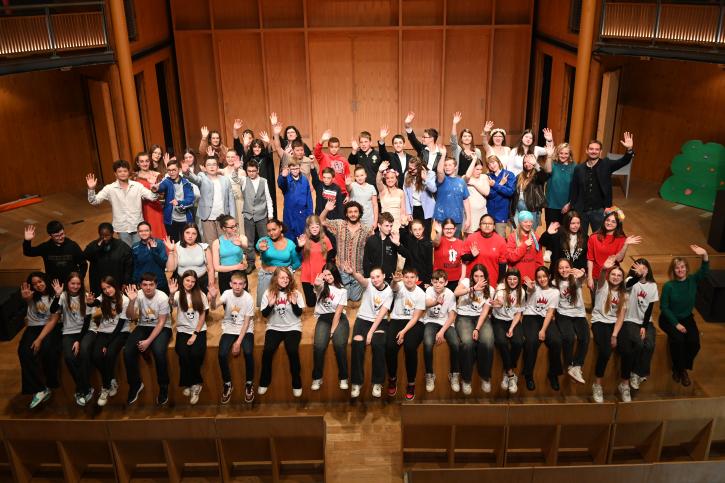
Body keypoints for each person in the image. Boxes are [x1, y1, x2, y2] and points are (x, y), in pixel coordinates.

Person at [659, 244, 709, 387]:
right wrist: (676, 324)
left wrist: (704, 254)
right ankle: (682, 371)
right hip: (669, 318)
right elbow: (664, 307)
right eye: (677, 268)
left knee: (694, 343)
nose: (680, 270)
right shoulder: (669, 286)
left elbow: (704, 270)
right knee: (678, 340)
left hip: (686, 317)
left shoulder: (692, 280)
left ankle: (680, 368)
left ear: (686, 268)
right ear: (673, 270)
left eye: (682, 267)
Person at [569, 132, 635, 234]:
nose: (593, 151)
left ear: (600, 151)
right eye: (591, 149)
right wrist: (573, 207)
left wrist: (629, 150)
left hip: (600, 210)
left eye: (596, 149)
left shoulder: (606, 164)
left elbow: (624, 161)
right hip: (581, 211)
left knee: (600, 237)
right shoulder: (579, 168)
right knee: (581, 238)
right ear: (587, 150)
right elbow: (574, 189)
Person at [344, 265, 393, 399]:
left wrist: (371, 332)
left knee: (379, 344)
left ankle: (377, 383)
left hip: (379, 321)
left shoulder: (389, 292)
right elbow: (361, 280)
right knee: (357, 343)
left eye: (378, 276)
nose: (375, 279)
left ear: (383, 276)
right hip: (363, 319)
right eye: (372, 277)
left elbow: (382, 314)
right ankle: (356, 383)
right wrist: (353, 272)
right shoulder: (369, 284)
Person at [123, 273, 172, 406]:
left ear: (156, 285)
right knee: (127, 351)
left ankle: (163, 387)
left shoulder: (162, 297)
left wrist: (148, 341)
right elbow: (131, 316)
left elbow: (161, 322)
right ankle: (136, 384)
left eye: (151, 284)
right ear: (140, 285)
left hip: (163, 327)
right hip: (143, 326)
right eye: (145, 285)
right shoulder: (137, 295)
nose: (148, 287)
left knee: (159, 352)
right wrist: (132, 302)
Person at [209, 271, 256, 404]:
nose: (237, 286)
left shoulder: (248, 298)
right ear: (230, 284)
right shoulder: (226, 293)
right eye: (234, 283)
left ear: (245, 285)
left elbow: (247, 323)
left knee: (248, 352)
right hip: (230, 327)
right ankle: (228, 384)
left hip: (245, 329)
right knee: (222, 354)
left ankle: (249, 383)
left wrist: (238, 342)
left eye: (240, 284)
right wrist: (213, 298)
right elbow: (213, 307)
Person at [258, 267, 306, 397]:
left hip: (292, 327)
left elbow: (299, 313)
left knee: (292, 351)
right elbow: (264, 314)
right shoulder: (268, 293)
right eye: (282, 277)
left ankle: (296, 381)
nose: (285, 280)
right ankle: (264, 380)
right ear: (275, 279)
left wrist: (295, 303)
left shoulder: (296, 292)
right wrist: (270, 305)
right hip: (274, 327)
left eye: (287, 277)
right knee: (268, 351)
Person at [86, 160, 158, 246]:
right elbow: (94, 201)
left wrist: (153, 187)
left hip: (137, 225)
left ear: (129, 172)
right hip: (122, 227)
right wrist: (91, 189)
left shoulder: (137, 186)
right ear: (115, 174)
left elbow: (153, 197)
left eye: (125, 171)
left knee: (139, 252)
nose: (123, 173)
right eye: (119, 171)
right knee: (126, 253)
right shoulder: (110, 188)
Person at [50, 273, 95, 406]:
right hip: (69, 332)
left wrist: (79, 341)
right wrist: (57, 295)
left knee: (84, 351)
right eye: (72, 283)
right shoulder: (63, 296)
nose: (75, 286)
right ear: (67, 284)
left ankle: (81, 390)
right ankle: (85, 388)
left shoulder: (87, 297)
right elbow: (53, 310)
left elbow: (87, 323)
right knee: (69, 357)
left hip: (87, 331)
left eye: (78, 284)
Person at [18, 272, 61, 409]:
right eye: (35, 283)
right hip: (33, 328)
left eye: (40, 281)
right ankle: (39, 389)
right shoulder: (31, 295)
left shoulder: (55, 295)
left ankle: (50, 384)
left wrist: (39, 339)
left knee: (48, 350)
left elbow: (53, 320)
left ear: (45, 280)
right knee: (24, 352)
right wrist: (25, 298)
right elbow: (27, 298)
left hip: (49, 327)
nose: (38, 285)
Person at [590, 256, 628, 403]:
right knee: (605, 351)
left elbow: (621, 316)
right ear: (609, 276)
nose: (616, 277)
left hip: (614, 324)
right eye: (613, 274)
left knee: (628, 350)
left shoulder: (624, 294)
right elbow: (600, 278)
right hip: (600, 321)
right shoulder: (603, 286)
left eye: (619, 275)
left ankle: (624, 384)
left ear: (622, 278)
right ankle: (597, 384)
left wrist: (615, 335)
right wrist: (604, 268)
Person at [321, 200, 374, 302]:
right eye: (350, 212)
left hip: (358, 271)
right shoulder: (339, 224)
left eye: (355, 211)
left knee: (355, 298)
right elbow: (322, 221)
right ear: (346, 213)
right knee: (344, 297)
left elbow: (373, 246)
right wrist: (326, 210)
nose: (353, 214)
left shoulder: (367, 230)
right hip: (342, 271)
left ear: (359, 213)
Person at [386, 268, 427, 399]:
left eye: (412, 277)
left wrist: (403, 332)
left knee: (410, 347)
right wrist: (393, 281)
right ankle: (392, 378)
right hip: (397, 320)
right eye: (407, 277)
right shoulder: (400, 286)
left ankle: (411, 383)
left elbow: (415, 318)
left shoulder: (421, 294)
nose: (409, 280)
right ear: (403, 278)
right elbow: (394, 287)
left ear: (417, 279)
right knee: (390, 347)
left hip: (415, 323)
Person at [89, 276, 130, 407]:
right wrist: (90, 302)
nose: (107, 291)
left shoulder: (125, 300)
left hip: (120, 332)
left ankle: (105, 386)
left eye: (109, 287)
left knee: (111, 353)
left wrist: (107, 344)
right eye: (104, 288)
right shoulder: (103, 298)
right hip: (103, 331)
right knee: (96, 356)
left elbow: (120, 325)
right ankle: (111, 379)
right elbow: (94, 303)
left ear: (115, 285)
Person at [169, 271, 208, 405]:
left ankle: (191, 384)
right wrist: (172, 293)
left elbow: (203, 316)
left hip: (198, 329)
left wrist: (195, 334)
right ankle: (194, 383)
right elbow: (171, 305)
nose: (190, 283)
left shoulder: (201, 295)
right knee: (182, 353)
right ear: (183, 280)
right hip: (182, 329)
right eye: (187, 280)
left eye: (192, 281)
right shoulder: (179, 294)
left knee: (197, 354)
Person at [455, 264, 495, 395]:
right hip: (464, 316)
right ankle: (466, 379)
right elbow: (456, 292)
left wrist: (477, 329)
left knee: (488, 341)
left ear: (486, 276)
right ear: (472, 276)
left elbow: (485, 311)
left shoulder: (490, 289)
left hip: (480, 318)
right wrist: (472, 288)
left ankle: (485, 377)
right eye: (476, 276)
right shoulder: (466, 282)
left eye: (481, 276)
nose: (478, 278)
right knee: (467, 343)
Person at [419, 269, 461, 393]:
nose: (438, 285)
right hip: (430, 321)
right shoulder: (429, 290)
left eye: (441, 282)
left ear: (446, 283)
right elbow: (425, 304)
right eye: (435, 282)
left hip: (446, 322)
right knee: (427, 344)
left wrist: (442, 332)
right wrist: (435, 302)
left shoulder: (450, 294)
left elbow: (452, 316)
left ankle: (454, 374)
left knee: (455, 344)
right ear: (432, 282)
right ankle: (429, 375)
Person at [521, 266, 562, 391]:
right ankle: (528, 375)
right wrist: (530, 287)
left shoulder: (555, 292)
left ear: (549, 277)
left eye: (544, 276)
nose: (542, 279)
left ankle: (553, 374)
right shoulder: (533, 288)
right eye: (539, 277)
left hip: (545, 318)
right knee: (531, 342)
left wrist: (543, 330)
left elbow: (550, 312)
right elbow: (529, 290)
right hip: (530, 317)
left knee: (556, 341)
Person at [619, 258, 658, 391]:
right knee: (639, 343)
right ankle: (635, 373)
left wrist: (644, 326)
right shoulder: (630, 281)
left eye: (644, 269)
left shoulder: (653, 285)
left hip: (646, 321)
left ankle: (637, 373)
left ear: (649, 270)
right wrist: (637, 275)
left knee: (650, 344)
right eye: (639, 269)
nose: (642, 271)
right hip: (630, 320)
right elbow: (629, 284)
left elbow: (650, 308)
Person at [311, 263, 350, 391]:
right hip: (323, 317)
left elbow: (338, 313)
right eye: (325, 275)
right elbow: (317, 286)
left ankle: (343, 377)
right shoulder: (322, 286)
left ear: (335, 273)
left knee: (339, 345)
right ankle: (317, 377)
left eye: (329, 274)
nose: (328, 277)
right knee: (319, 346)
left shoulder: (343, 290)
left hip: (338, 318)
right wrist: (317, 283)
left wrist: (332, 332)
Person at [183, 155, 237, 245]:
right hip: (207, 218)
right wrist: (187, 172)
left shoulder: (225, 180)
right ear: (205, 167)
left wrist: (232, 218)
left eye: (214, 164)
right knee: (211, 244)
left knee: (225, 243)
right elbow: (195, 179)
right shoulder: (202, 177)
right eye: (209, 165)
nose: (212, 167)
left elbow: (231, 200)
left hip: (223, 218)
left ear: (218, 167)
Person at [551, 258, 589, 385]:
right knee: (568, 337)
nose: (564, 270)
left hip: (579, 314)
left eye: (566, 267)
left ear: (571, 267)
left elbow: (583, 279)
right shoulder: (554, 282)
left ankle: (577, 366)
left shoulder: (576, 279)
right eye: (561, 268)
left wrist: (582, 275)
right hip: (563, 314)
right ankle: (570, 365)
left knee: (585, 337)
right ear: (557, 269)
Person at [587, 207, 641, 294]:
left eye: (613, 221)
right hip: (596, 276)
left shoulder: (621, 239)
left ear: (618, 224)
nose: (609, 223)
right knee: (596, 303)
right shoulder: (593, 237)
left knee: (610, 304)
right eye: (607, 220)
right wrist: (589, 278)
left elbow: (619, 259)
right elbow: (590, 259)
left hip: (612, 277)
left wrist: (626, 244)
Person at [231, 159, 274, 270]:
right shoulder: (245, 180)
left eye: (254, 171)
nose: (251, 173)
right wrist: (235, 168)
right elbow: (235, 178)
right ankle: (251, 263)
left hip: (261, 215)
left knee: (264, 239)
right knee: (249, 241)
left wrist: (270, 214)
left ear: (258, 170)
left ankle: (266, 261)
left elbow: (268, 199)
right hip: (248, 215)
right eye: (249, 171)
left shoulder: (263, 181)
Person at [491, 269, 526, 394]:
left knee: (518, 342)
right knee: (501, 342)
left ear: (518, 280)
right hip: (499, 320)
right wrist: (497, 304)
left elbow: (518, 313)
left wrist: (511, 328)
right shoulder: (501, 288)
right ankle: (511, 374)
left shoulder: (521, 291)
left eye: (515, 279)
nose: (512, 281)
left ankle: (507, 372)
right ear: (506, 279)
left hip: (513, 320)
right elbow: (499, 302)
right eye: (510, 279)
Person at [255, 219, 302, 307]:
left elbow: (296, 262)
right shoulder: (265, 241)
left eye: (274, 229)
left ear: (280, 228)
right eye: (269, 231)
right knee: (264, 304)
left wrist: (288, 272)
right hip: (266, 276)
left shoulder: (290, 244)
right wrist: (260, 248)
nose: (271, 233)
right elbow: (258, 245)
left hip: (284, 279)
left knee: (284, 305)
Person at [83, 222, 133, 295]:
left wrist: (126, 282)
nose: (104, 238)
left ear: (112, 233)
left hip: (117, 281)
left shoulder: (122, 246)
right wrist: (97, 247)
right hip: (99, 283)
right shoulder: (94, 245)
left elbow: (129, 266)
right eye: (102, 235)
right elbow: (85, 256)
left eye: (107, 235)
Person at [155, 159, 196, 242]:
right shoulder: (166, 181)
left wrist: (179, 202)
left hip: (185, 219)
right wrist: (156, 188)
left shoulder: (186, 183)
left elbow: (190, 199)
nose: (171, 172)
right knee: (173, 244)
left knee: (186, 243)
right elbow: (161, 187)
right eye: (169, 170)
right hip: (171, 220)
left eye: (174, 170)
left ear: (179, 170)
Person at [165, 223, 214, 292]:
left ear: (197, 235)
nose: (190, 236)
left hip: (201, 283)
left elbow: (211, 269)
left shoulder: (204, 247)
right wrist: (171, 251)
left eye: (194, 233)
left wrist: (211, 286)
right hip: (182, 283)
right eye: (187, 233)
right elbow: (170, 269)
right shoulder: (177, 246)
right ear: (183, 233)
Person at [297, 215, 334, 307]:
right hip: (307, 274)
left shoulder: (325, 239)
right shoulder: (304, 238)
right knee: (311, 304)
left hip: (321, 275)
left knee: (324, 302)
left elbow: (331, 258)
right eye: (312, 227)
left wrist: (329, 274)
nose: (315, 229)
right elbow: (296, 254)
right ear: (308, 228)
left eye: (317, 226)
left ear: (320, 227)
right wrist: (299, 246)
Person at [461, 214, 507, 286]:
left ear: (494, 226)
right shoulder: (471, 238)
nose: (487, 225)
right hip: (472, 282)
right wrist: (472, 256)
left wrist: (498, 282)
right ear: (480, 225)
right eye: (484, 223)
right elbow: (463, 258)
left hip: (491, 281)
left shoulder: (500, 241)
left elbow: (502, 265)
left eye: (490, 224)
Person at [363, 212, 409, 281]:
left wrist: (398, 244)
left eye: (391, 226)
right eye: (387, 226)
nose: (389, 228)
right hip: (374, 279)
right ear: (379, 225)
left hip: (389, 278)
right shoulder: (371, 240)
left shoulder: (393, 239)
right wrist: (367, 278)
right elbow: (366, 261)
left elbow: (407, 255)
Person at [510, 153, 550, 231]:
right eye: (525, 162)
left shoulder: (537, 176)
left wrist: (536, 164)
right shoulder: (519, 176)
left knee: (530, 233)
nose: (527, 164)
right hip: (518, 209)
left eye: (529, 162)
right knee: (515, 232)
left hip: (532, 209)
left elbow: (544, 176)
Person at [133, 151, 167, 239]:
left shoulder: (157, 175)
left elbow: (162, 195)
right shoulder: (133, 177)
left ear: (150, 162)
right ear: (137, 163)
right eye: (142, 161)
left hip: (155, 208)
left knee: (157, 232)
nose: (145, 163)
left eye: (147, 161)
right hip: (140, 208)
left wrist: (154, 188)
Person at [434, 157, 471, 237]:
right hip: (442, 218)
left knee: (456, 244)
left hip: (457, 219)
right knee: (442, 245)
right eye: (445, 165)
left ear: (455, 167)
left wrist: (468, 218)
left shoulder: (461, 181)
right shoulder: (441, 179)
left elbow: (466, 200)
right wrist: (443, 155)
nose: (447, 167)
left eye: (450, 165)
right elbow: (440, 171)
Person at [278, 161, 314, 242]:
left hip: (302, 215)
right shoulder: (286, 179)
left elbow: (309, 199)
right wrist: (282, 176)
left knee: (302, 238)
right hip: (289, 214)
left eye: (297, 168)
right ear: (289, 169)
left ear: (300, 168)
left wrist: (310, 214)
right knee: (289, 239)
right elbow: (281, 184)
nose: (295, 170)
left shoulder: (304, 180)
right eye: (292, 169)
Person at [482, 152, 516, 238]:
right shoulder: (488, 176)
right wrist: (500, 184)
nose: (492, 166)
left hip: (502, 212)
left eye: (493, 162)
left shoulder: (508, 174)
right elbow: (489, 195)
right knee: (488, 238)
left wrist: (495, 185)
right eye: (489, 164)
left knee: (500, 237)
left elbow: (510, 192)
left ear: (498, 162)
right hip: (489, 212)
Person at [211, 214, 248, 291]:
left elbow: (246, 246)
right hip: (225, 275)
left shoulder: (241, 237)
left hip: (239, 274)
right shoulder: (217, 242)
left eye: (235, 225)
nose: (235, 228)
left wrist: (241, 244)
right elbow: (217, 267)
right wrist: (236, 267)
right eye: (231, 227)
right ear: (224, 228)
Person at [402, 157, 436, 237]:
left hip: (425, 209)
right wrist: (408, 212)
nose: (410, 171)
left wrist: (425, 179)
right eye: (409, 168)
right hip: (413, 207)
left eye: (412, 169)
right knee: (413, 234)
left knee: (425, 233)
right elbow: (405, 194)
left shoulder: (430, 174)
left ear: (419, 167)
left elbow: (433, 189)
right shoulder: (407, 174)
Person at [544, 142, 576, 227]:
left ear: (570, 154)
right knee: (551, 232)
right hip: (551, 205)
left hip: (566, 206)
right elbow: (547, 170)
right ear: (557, 153)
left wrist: (570, 204)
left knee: (565, 233)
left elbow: (577, 188)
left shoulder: (574, 167)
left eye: (566, 153)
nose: (563, 155)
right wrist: (549, 156)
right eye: (561, 153)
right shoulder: (553, 164)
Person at [131, 221, 169, 294]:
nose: (144, 233)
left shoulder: (159, 243)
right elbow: (135, 267)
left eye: (146, 230)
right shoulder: (135, 247)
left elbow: (163, 263)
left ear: (151, 232)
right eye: (141, 231)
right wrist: (135, 282)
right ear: (138, 233)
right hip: (144, 284)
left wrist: (154, 250)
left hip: (159, 283)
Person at [506, 211, 544, 282]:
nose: (529, 224)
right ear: (520, 223)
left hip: (532, 279)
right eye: (525, 222)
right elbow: (511, 257)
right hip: (516, 280)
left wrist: (539, 276)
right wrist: (524, 245)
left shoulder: (535, 237)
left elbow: (539, 259)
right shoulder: (512, 237)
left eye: (531, 222)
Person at [432, 219, 465, 292]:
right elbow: (436, 242)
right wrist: (439, 232)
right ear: (443, 229)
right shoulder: (439, 240)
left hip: (456, 279)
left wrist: (462, 277)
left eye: (451, 229)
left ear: (455, 229)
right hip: (440, 280)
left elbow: (464, 262)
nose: (449, 231)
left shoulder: (461, 243)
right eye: (446, 229)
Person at [315, 130, 350, 196]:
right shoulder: (323, 157)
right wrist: (322, 140)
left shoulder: (344, 160)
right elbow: (317, 151)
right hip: (327, 191)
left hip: (341, 192)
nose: (334, 149)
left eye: (336, 147)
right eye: (331, 147)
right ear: (328, 147)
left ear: (339, 147)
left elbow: (347, 178)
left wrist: (347, 193)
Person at [399, 219, 434, 287]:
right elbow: (402, 235)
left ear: (423, 229)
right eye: (415, 230)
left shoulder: (428, 244)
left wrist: (427, 281)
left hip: (421, 276)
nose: (417, 232)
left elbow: (429, 263)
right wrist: (403, 225)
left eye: (419, 229)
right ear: (411, 231)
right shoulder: (409, 240)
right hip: (408, 274)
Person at [376, 163, 408, 232]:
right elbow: (378, 181)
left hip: (397, 223)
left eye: (392, 177)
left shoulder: (401, 192)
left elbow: (403, 209)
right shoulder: (383, 190)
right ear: (385, 179)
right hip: (385, 223)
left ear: (396, 179)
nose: (390, 180)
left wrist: (404, 220)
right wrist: (379, 171)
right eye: (387, 178)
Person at [463, 159, 489, 234]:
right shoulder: (465, 178)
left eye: (481, 169)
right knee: (469, 236)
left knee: (483, 234)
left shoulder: (484, 177)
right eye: (477, 169)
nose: (479, 171)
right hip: (470, 213)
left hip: (482, 211)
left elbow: (486, 192)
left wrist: (474, 183)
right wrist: (474, 159)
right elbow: (467, 176)